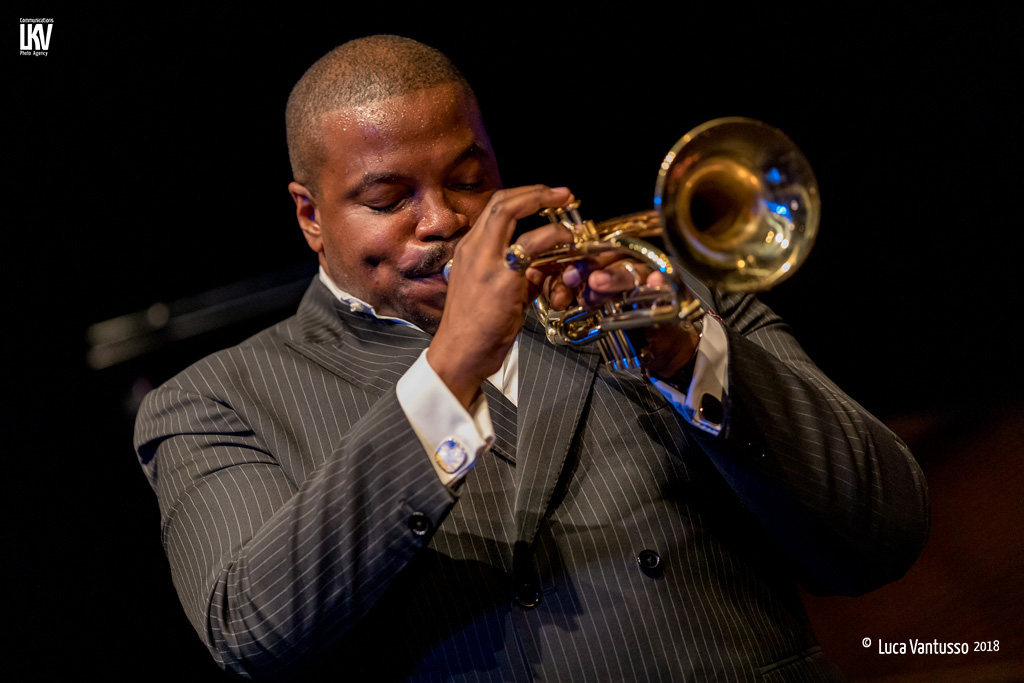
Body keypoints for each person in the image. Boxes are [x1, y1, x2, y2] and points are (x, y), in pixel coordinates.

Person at [135, 35, 929, 681]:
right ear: (310, 216)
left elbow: (885, 532)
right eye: (388, 201)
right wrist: (450, 372)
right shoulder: (215, 400)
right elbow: (253, 629)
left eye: (468, 179)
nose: (442, 220)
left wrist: (692, 362)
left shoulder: (669, 299)